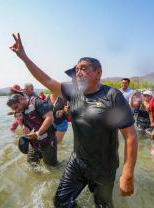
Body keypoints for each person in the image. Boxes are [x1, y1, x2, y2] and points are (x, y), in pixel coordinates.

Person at [9, 33, 138, 207]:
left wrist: (127, 173)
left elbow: (130, 136)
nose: (78, 73)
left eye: (84, 68)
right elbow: (46, 80)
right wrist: (24, 57)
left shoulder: (112, 96)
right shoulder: (73, 93)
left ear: (98, 73)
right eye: (76, 69)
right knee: (60, 202)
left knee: (103, 205)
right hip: (77, 161)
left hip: (104, 167)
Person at [6, 93, 58, 166]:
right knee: (31, 164)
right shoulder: (20, 109)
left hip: (47, 140)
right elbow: (19, 118)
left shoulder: (37, 102)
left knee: (51, 166)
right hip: (33, 142)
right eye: (14, 109)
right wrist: (23, 126)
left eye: (16, 107)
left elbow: (50, 118)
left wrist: (37, 134)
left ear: (21, 99)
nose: (17, 110)